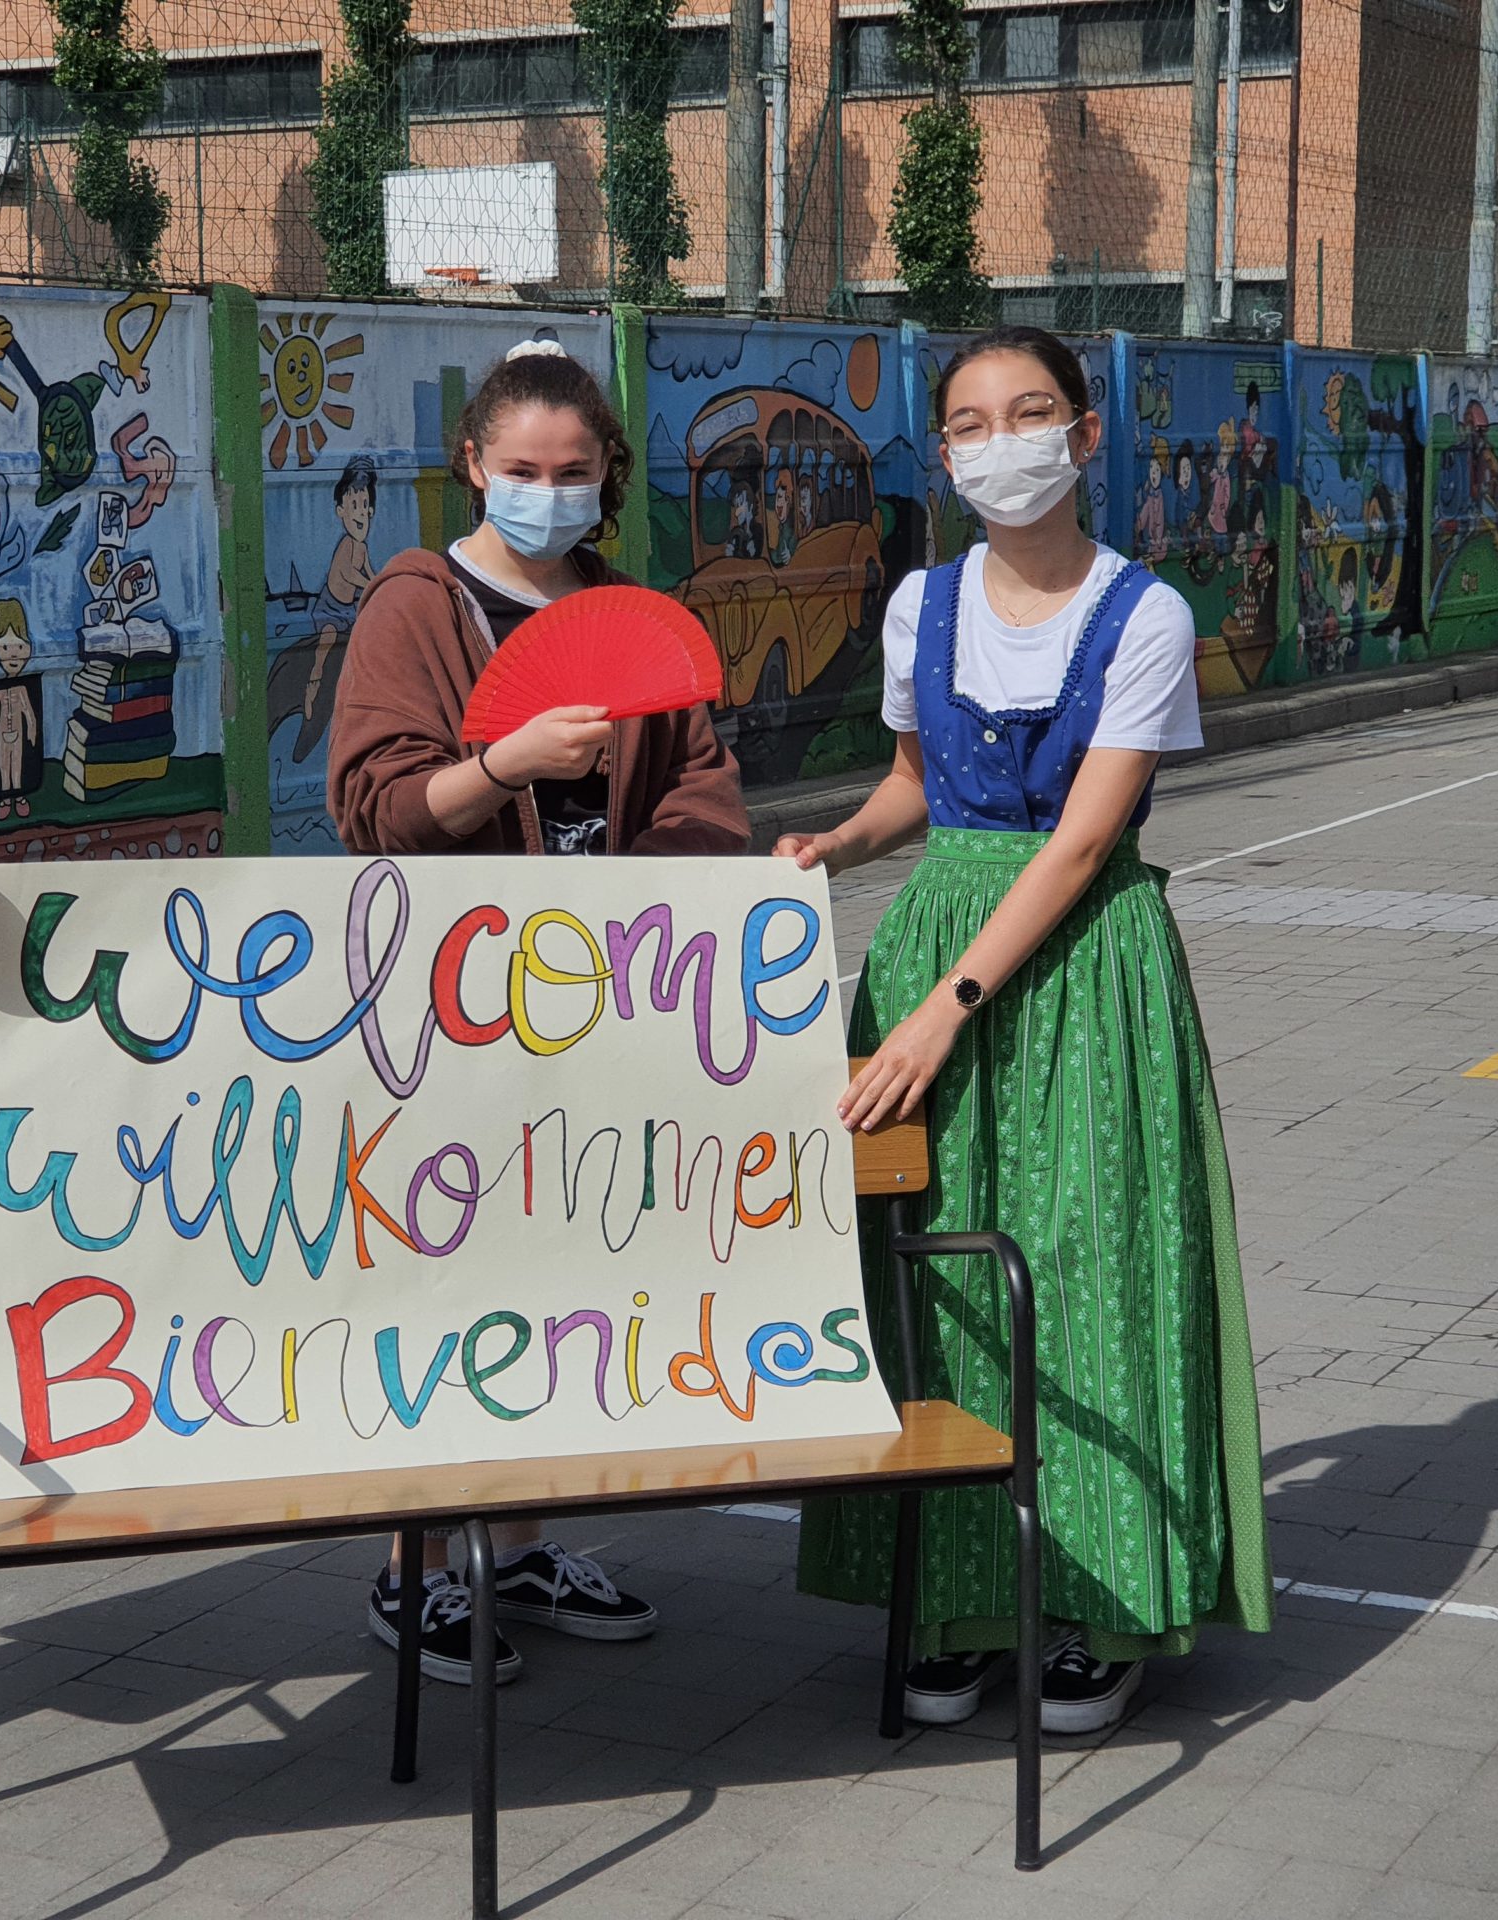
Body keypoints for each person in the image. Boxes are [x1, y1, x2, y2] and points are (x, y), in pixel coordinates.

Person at [782, 325, 1270, 1737]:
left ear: (1085, 434)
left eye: (1033, 412)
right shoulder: (918, 605)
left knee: (1086, 1267)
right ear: (943, 454)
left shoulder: (1149, 615)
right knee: (932, 1272)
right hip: (939, 939)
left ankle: (1099, 1608)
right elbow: (915, 788)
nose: (1004, 443)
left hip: (1081, 966)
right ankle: (955, 1601)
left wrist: (942, 1014)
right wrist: (831, 847)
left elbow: (1078, 845)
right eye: (973, 423)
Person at [327, 338, 749, 1681]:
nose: (548, 492)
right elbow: (375, 811)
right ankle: (413, 1569)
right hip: (447, 1015)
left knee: (561, 1286)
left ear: (606, 471)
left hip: (596, 1014)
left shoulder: (632, 612)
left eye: (573, 471)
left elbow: (702, 799)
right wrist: (503, 762)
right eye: (522, 468)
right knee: (441, 1285)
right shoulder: (415, 603)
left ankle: (514, 1548)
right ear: (473, 464)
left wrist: (643, 899)